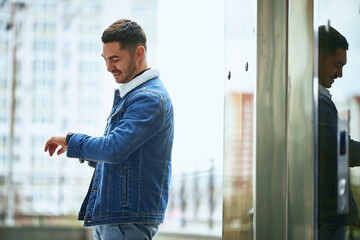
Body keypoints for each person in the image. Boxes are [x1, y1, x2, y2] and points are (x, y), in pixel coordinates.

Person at [44, 19, 174, 240]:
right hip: (118, 217)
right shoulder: (134, 95)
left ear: (139, 53)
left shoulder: (149, 99)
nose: (108, 68)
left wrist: (73, 140)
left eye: (115, 59)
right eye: (105, 60)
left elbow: (113, 149)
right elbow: (126, 157)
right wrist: (80, 149)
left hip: (126, 219)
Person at [318, 25, 360, 239]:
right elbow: (346, 150)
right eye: (337, 65)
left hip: (329, 217)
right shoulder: (317, 103)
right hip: (328, 219)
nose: (340, 74)